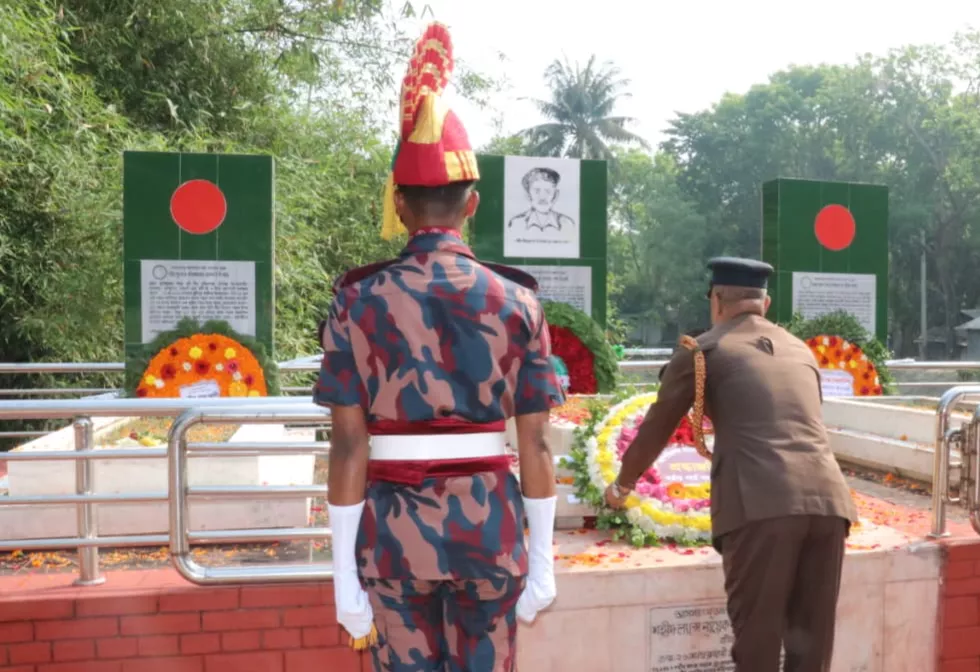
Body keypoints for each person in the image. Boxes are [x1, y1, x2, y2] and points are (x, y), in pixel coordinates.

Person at [314, 21, 564, 672]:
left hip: (394, 536)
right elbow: (534, 442)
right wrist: (542, 559)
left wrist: (344, 578)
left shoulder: (358, 300)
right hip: (490, 532)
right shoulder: (518, 301)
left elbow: (347, 444)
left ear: (398, 204)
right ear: (472, 203)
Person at [603, 257, 856, 672]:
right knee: (811, 646)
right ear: (766, 303)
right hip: (829, 506)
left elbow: (656, 427)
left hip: (761, 507)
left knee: (757, 643)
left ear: (717, 301)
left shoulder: (703, 351)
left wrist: (621, 488)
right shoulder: (801, 350)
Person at [506, 167, 577, 232]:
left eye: (548, 191)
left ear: (556, 195)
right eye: (537, 191)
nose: (542, 197)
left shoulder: (567, 224)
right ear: (528, 195)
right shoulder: (516, 223)